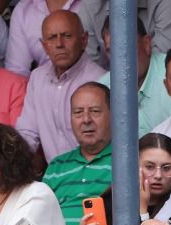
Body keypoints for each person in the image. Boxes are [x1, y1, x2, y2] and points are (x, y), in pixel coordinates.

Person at [16, 14, 105, 161]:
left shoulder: (101, 80)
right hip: (54, 177)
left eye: (67, 36)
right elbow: (27, 133)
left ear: (84, 40)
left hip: (94, 176)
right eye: (52, 38)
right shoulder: (37, 78)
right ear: (44, 46)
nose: (59, 44)